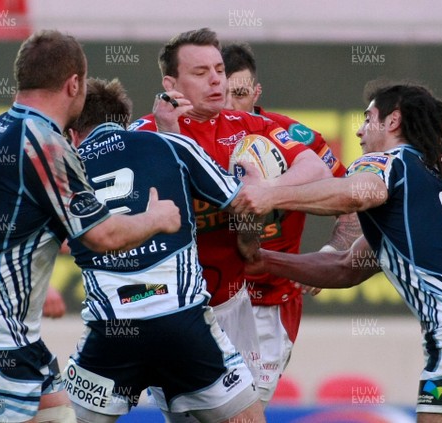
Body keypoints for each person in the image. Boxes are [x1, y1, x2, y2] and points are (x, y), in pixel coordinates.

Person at [235, 83, 442, 422]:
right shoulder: (427, 179)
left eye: (368, 118)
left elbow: (358, 194)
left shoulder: (387, 161)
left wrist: (269, 194)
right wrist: (267, 261)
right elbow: (347, 267)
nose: (359, 130)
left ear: (393, 121)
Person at [0, 30, 180, 423]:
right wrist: (158, 218)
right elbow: (103, 235)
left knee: (60, 415)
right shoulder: (46, 144)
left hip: (10, 333)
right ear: (73, 83)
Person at [128, 27, 331, 416]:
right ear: (171, 83)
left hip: (233, 306)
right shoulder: (144, 135)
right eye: (201, 71)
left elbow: (315, 168)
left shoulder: (248, 127)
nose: (216, 79)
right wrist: (170, 137)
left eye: (219, 69)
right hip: (166, 307)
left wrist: (268, 192)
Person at [64, 77, 265, 423]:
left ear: (71, 135)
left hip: (111, 334)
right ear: (124, 120)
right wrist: (250, 237)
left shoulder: (62, 169)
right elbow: (243, 202)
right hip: (183, 326)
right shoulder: (171, 146)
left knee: (65, 416)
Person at [221, 42, 356, 405]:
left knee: (246, 407)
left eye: (241, 94)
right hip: (206, 298)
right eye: (223, 94)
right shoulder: (190, 138)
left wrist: (332, 254)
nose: (231, 105)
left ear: (257, 92)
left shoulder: (295, 139)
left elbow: (353, 199)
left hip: (269, 302)